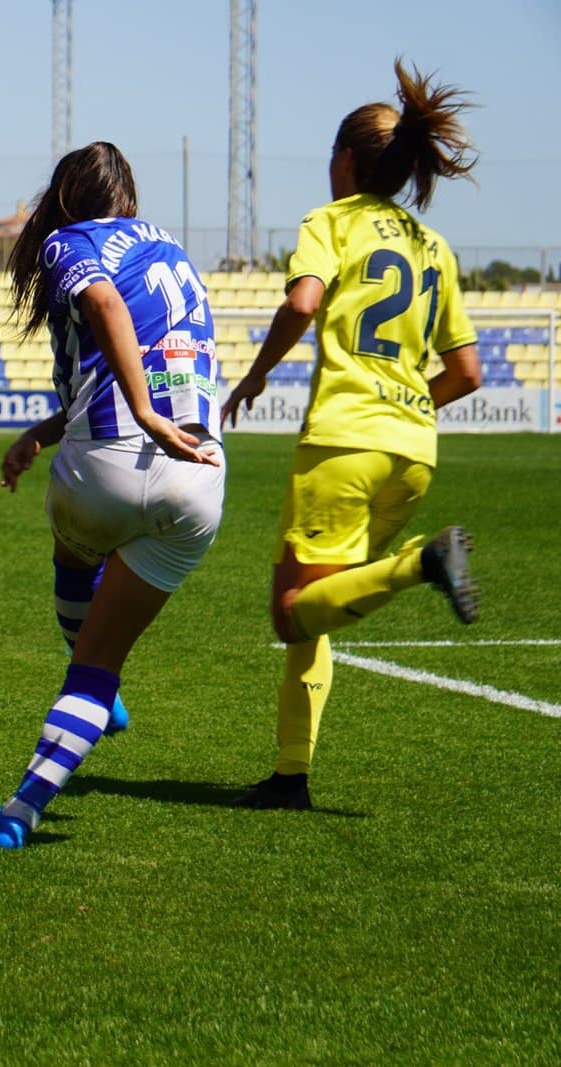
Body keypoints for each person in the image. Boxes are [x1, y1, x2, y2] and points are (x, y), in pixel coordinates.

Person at [221, 60, 482, 811]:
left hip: (342, 441)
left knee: (291, 610)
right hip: (414, 449)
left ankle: (420, 564)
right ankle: (290, 775)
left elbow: (303, 302)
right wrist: (406, 406)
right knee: (325, 601)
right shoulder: (435, 247)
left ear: (344, 160)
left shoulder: (330, 221)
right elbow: (465, 372)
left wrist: (258, 374)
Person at [0, 141, 225, 849]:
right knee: (99, 669)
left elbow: (101, 301)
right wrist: (43, 432)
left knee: (76, 577)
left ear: (66, 195)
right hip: (198, 471)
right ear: (127, 195)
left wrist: (141, 410)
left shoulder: (70, 240)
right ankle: (30, 799)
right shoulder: (172, 249)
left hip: (112, 458)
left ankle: (29, 798)